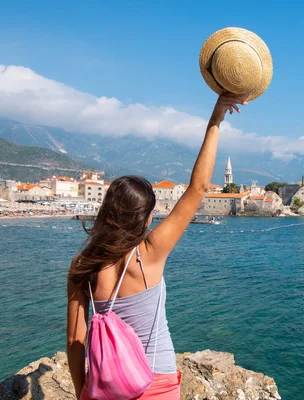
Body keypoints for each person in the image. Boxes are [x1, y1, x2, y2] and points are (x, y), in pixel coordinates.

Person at [66, 94, 247, 399]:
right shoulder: (148, 253)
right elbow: (199, 187)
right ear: (147, 217)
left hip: (104, 388)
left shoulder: (83, 264)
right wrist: (216, 118)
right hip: (155, 383)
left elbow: (74, 339)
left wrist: (82, 391)